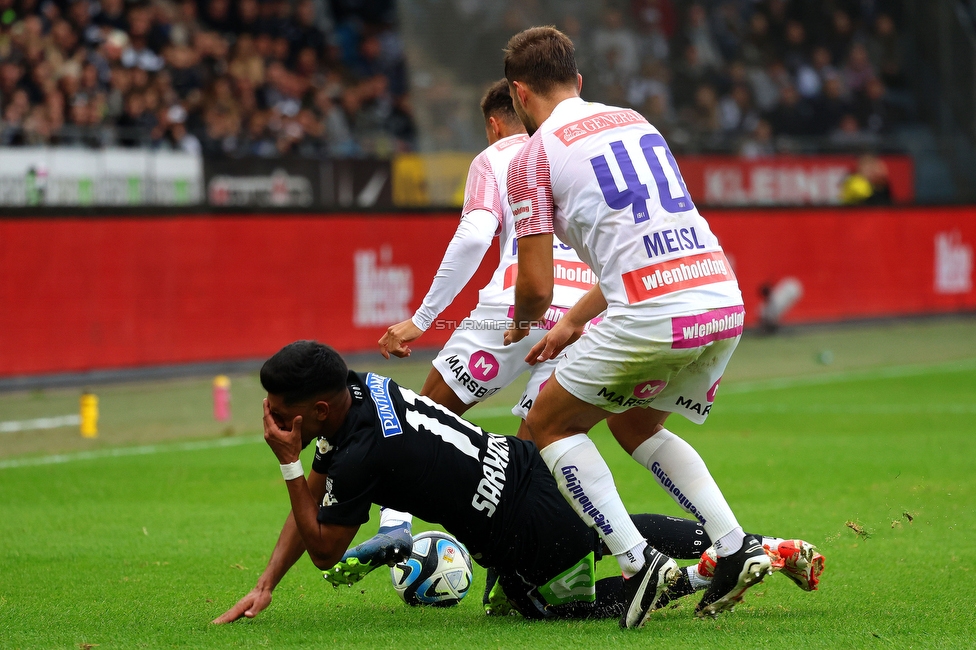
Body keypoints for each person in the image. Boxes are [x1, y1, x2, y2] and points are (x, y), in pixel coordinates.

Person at [213, 341, 824, 624]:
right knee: (608, 534)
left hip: (515, 527)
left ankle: (714, 567)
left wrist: (287, 465)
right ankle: (753, 547)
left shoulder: (364, 453)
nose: (273, 422)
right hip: (522, 465)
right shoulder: (358, 391)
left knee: (549, 606)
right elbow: (320, 490)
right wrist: (266, 584)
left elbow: (325, 549)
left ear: (319, 410)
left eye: (281, 411)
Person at [499, 26, 767, 627]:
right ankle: (732, 546)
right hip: (720, 297)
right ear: (579, 81)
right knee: (636, 423)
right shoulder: (632, 119)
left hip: (654, 313)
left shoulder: (531, 157)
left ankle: (638, 561)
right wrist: (572, 321)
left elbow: (535, 285)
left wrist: (524, 324)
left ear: (518, 93)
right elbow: (642, 246)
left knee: (547, 421)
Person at [367, 79, 600, 572]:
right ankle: (524, 572)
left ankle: (393, 527)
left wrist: (421, 319)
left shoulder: (496, 157)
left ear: (495, 123)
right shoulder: (567, 151)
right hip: (584, 315)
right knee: (534, 456)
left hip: (518, 305)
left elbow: (474, 236)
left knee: (421, 416)